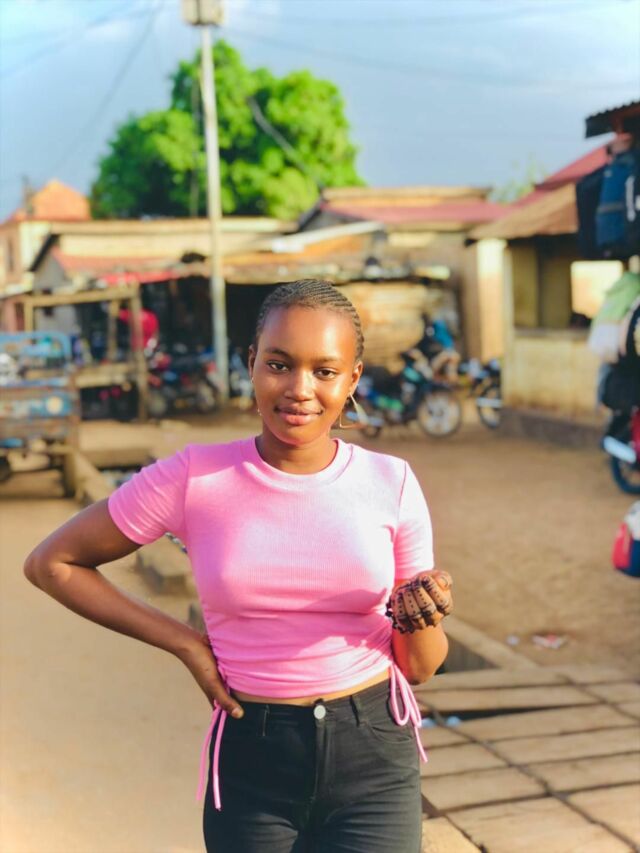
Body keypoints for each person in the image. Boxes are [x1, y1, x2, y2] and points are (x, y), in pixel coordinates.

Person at [23, 279, 453, 853]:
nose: (299, 389)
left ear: (352, 379)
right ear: (251, 363)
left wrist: (421, 612)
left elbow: (420, 668)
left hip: (373, 755)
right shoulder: (195, 477)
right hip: (253, 761)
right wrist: (186, 643)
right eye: (278, 364)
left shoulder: (390, 482)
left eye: (325, 371)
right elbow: (53, 563)